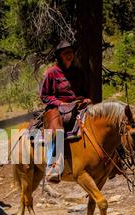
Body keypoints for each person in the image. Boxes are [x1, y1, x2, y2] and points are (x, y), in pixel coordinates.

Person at [40, 40, 91, 183]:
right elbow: (44, 95)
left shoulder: (78, 72)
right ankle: (53, 166)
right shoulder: (52, 73)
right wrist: (59, 103)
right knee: (57, 129)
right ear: (60, 56)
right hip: (56, 107)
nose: (69, 55)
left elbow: (84, 91)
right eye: (65, 53)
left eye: (71, 52)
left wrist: (86, 99)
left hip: (76, 105)